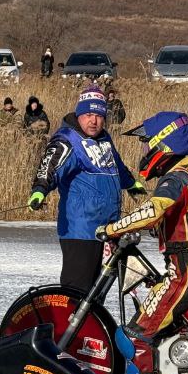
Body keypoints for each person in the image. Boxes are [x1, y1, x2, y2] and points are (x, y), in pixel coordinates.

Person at [97, 112, 188, 374]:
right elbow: (184, 219)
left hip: (184, 271)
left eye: (146, 143)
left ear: (163, 143)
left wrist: (113, 228)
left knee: (136, 335)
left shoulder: (175, 180)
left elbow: (154, 210)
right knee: (166, 334)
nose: (144, 150)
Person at [28, 85, 144, 290]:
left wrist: (131, 183)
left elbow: (116, 165)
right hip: (81, 230)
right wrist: (39, 190)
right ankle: (69, 322)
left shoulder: (104, 138)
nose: (94, 121)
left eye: (99, 115)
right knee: (77, 291)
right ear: (79, 114)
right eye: (88, 114)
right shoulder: (67, 139)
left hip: (108, 229)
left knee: (96, 294)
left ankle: (92, 322)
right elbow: (49, 166)